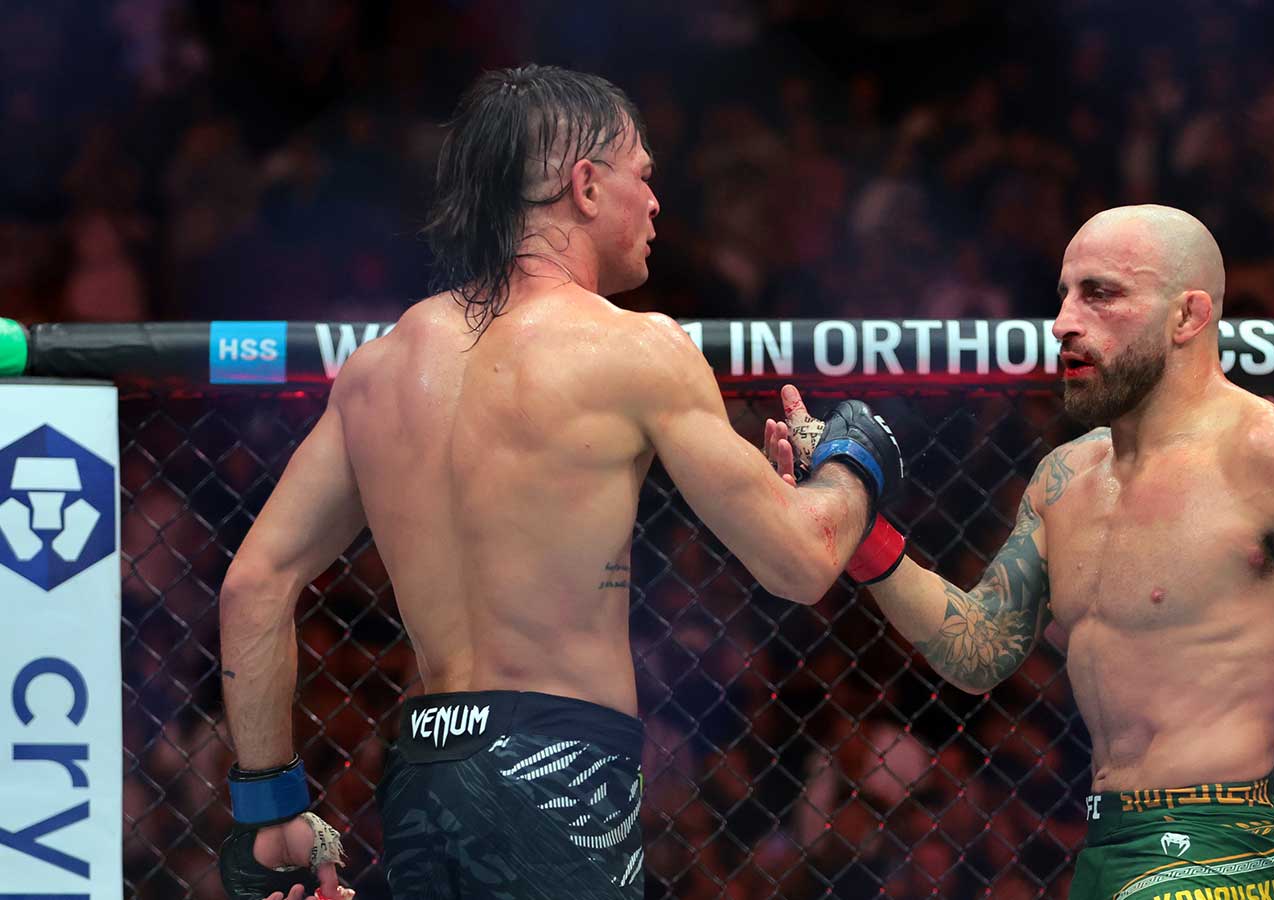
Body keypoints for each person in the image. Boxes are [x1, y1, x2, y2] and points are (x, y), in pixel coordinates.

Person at [214, 64, 903, 900]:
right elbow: (800, 561)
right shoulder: (636, 348)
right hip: (560, 765)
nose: (655, 205)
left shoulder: (379, 367)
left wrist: (270, 812)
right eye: (642, 176)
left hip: (426, 769)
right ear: (584, 185)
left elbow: (254, 585)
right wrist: (853, 461)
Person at [768, 205, 1274, 900]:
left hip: (1219, 853)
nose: (1065, 321)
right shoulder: (1066, 478)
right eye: (1063, 295)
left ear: (1187, 317)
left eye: (1100, 294)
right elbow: (980, 652)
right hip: (1105, 848)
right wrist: (857, 531)